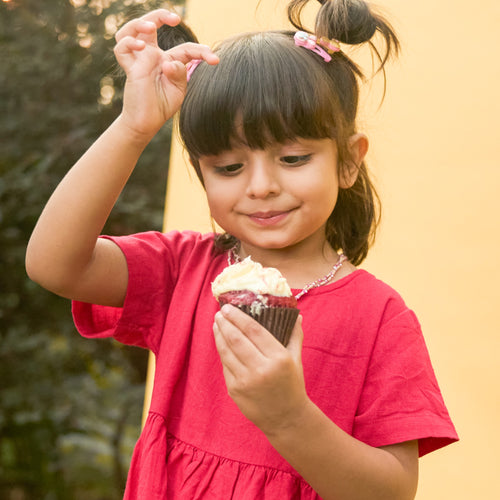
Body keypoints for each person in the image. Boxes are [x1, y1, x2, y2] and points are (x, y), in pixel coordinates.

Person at [26, 0, 458, 498]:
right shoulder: (183, 269)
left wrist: (289, 418)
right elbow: (51, 264)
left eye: (293, 158)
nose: (260, 186)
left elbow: (392, 491)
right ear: (201, 174)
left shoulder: (379, 315)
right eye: (228, 168)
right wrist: (133, 127)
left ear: (348, 161)